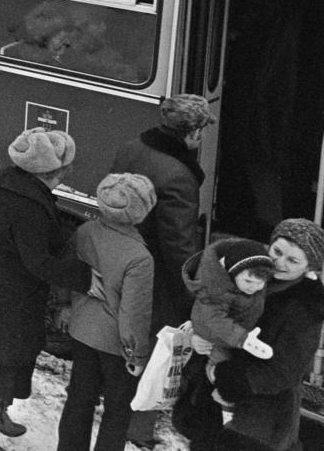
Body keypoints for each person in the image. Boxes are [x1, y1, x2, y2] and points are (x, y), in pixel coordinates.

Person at [0, 128, 92, 450]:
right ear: (54, 170)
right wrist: (85, 278)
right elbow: (39, 261)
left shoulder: (2, 183)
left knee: (6, 360)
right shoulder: (28, 204)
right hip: (5, 299)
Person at [112, 93, 214, 446]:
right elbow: (179, 246)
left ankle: (118, 415)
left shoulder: (132, 146)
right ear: (193, 132)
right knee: (155, 356)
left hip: (121, 261)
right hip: (154, 278)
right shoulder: (179, 176)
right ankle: (138, 432)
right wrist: (193, 294)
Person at [174, 219, 324, 451]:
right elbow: (208, 308)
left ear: (308, 268)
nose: (279, 262)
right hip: (211, 401)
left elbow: (286, 369)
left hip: (258, 417)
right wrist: (198, 334)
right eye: (277, 251)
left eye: (292, 260)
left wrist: (230, 384)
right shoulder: (246, 273)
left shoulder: (304, 305)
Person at [56, 172, 157, 451]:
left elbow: (66, 270)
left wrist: (65, 305)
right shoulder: (140, 257)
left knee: (79, 397)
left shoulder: (85, 231)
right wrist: (137, 354)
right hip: (115, 345)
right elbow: (133, 313)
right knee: (117, 409)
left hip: (82, 329)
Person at [187, 238, 275, 367]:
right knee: (221, 365)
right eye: (248, 281)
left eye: (260, 283)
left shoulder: (251, 283)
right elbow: (213, 318)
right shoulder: (216, 290)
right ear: (232, 273)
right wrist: (243, 339)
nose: (254, 287)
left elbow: (277, 283)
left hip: (236, 336)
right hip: (215, 339)